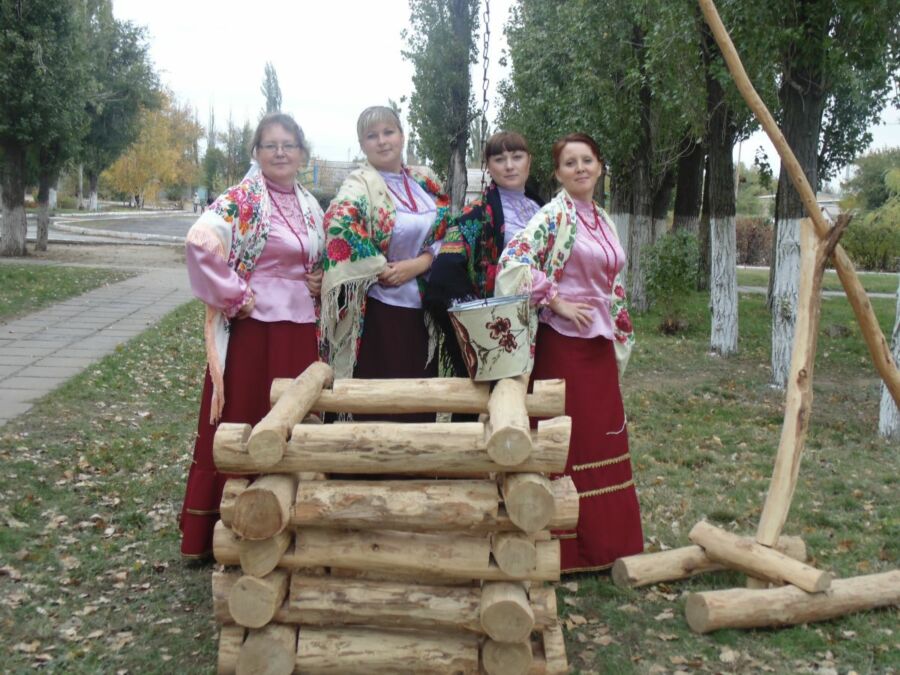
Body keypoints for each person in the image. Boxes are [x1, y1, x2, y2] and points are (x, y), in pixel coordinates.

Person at [178, 113, 325, 559]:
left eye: (288, 145)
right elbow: (200, 242)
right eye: (270, 145)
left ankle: (289, 518)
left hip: (299, 331)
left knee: (293, 420)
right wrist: (234, 293)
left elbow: (314, 258)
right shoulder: (241, 199)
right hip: (255, 332)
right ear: (256, 154)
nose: (280, 153)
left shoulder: (310, 204)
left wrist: (318, 279)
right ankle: (227, 526)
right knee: (246, 417)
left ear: (302, 153)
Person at [496, 132, 642, 572]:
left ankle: (608, 544)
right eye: (570, 163)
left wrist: (617, 325)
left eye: (587, 161)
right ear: (558, 173)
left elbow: (612, 280)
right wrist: (554, 299)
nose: (580, 169)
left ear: (599, 167)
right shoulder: (551, 217)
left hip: (598, 346)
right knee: (568, 442)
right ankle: (563, 548)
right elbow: (513, 263)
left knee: (603, 435)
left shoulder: (603, 219)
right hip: (563, 344)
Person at [319, 106, 450, 421]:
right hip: (380, 307)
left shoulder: (425, 182)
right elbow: (339, 226)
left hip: (422, 310)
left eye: (388, 132)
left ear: (402, 136)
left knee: (416, 398)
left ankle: (414, 468)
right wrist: (381, 269)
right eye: (371, 136)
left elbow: (448, 227)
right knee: (378, 398)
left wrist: (420, 263)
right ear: (362, 145)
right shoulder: (359, 183)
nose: (382, 141)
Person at [426, 130, 544, 377]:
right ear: (489, 166)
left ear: (529, 160)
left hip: (546, 326)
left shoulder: (544, 209)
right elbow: (444, 275)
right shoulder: (475, 216)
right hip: (501, 333)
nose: (510, 166)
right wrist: (484, 320)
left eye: (517, 157)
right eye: (500, 159)